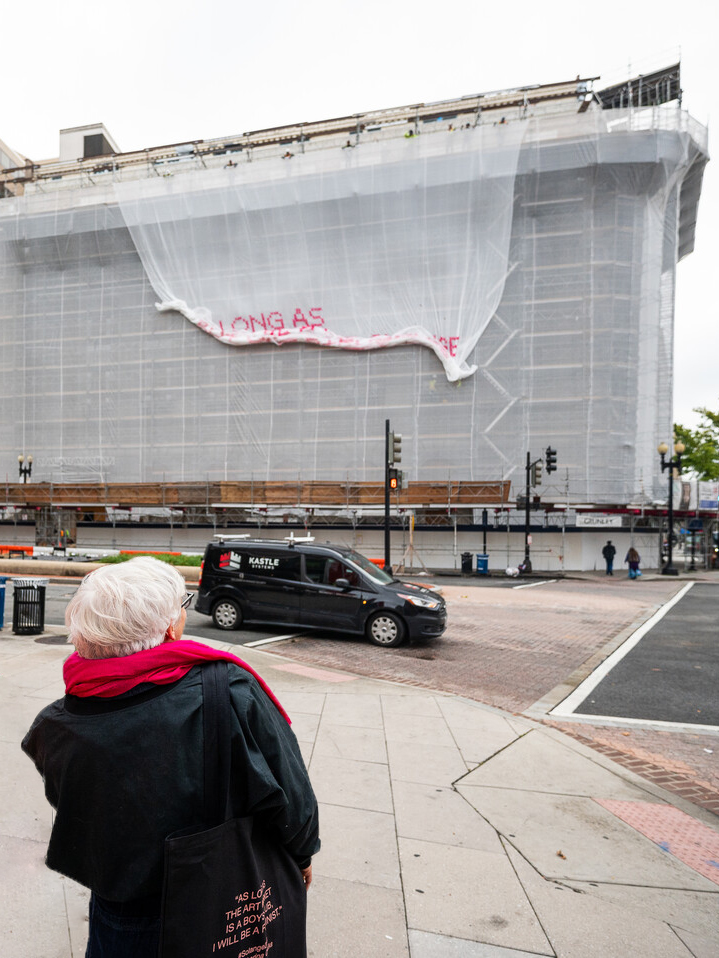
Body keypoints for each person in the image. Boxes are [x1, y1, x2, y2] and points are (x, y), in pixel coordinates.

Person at [22, 557, 319, 958]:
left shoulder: (56, 723)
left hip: (119, 912)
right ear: (169, 627)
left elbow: (77, 804)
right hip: (215, 900)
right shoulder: (227, 690)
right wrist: (302, 853)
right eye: (182, 605)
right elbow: (289, 787)